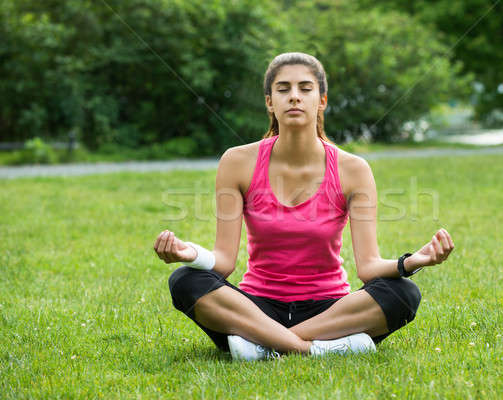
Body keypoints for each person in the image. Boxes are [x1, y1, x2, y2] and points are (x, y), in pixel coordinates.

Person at [154, 52, 454, 361]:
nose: (294, 97)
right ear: (270, 101)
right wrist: (190, 254)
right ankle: (314, 349)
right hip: (256, 306)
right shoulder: (237, 162)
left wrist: (411, 262)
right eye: (283, 89)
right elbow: (223, 262)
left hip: (329, 309)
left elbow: (368, 268)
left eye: (305, 88)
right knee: (185, 280)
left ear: (321, 100)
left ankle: (261, 345)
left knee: (404, 294)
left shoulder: (353, 169)